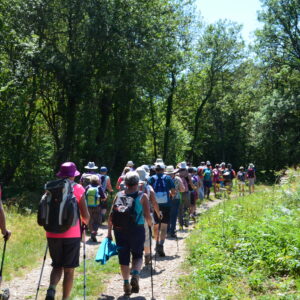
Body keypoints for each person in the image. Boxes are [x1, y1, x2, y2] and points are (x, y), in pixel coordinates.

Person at [45, 162, 90, 300]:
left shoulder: (50, 187)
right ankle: (65, 298)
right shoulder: (78, 188)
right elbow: (86, 216)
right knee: (69, 270)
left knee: (56, 265)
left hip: (52, 232)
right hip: (72, 234)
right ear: (73, 175)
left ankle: (51, 289)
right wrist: (83, 227)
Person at [107, 172, 152, 296]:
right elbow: (148, 216)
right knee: (137, 255)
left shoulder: (119, 195)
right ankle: (136, 275)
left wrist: (109, 233)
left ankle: (126, 282)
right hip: (137, 230)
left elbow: (111, 216)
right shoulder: (143, 196)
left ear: (125, 183)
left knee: (124, 257)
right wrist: (151, 226)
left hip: (120, 230)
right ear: (138, 183)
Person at [148, 163, 175, 257]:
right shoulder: (168, 178)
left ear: (155, 170)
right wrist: (171, 196)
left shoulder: (151, 178)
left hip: (155, 205)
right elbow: (173, 191)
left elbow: (148, 191)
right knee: (164, 227)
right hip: (166, 205)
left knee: (156, 226)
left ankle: (156, 243)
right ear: (164, 169)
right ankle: (161, 244)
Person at [136, 166, 160, 266]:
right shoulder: (148, 187)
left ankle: (136, 257)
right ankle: (147, 255)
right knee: (146, 236)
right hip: (146, 214)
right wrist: (158, 213)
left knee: (135, 236)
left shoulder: (130, 186)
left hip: (133, 216)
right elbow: (154, 201)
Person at [85, 175, 106, 242]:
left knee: (90, 220)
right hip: (97, 207)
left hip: (88, 206)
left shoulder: (87, 187)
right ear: (97, 181)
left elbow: (83, 196)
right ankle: (95, 232)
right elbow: (103, 198)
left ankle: (92, 231)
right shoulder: (99, 188)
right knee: (97, 220)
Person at [166, 165, 185, 238]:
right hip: (176, 199)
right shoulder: (177, 179)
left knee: (167, 215)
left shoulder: (164, 179)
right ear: (174, 172)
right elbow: (182, 189)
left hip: (166, 199)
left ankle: (167, 231)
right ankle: (172, 231)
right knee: (174, 216)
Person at [177, 162, 194, 229]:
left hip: (179, 193)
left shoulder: (177, 174)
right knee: (186, 208)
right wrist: (194, 188)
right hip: (186, 192)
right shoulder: (188, 175)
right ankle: (186, 221)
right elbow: (191, 183)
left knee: (180, 209)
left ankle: (181, 224)